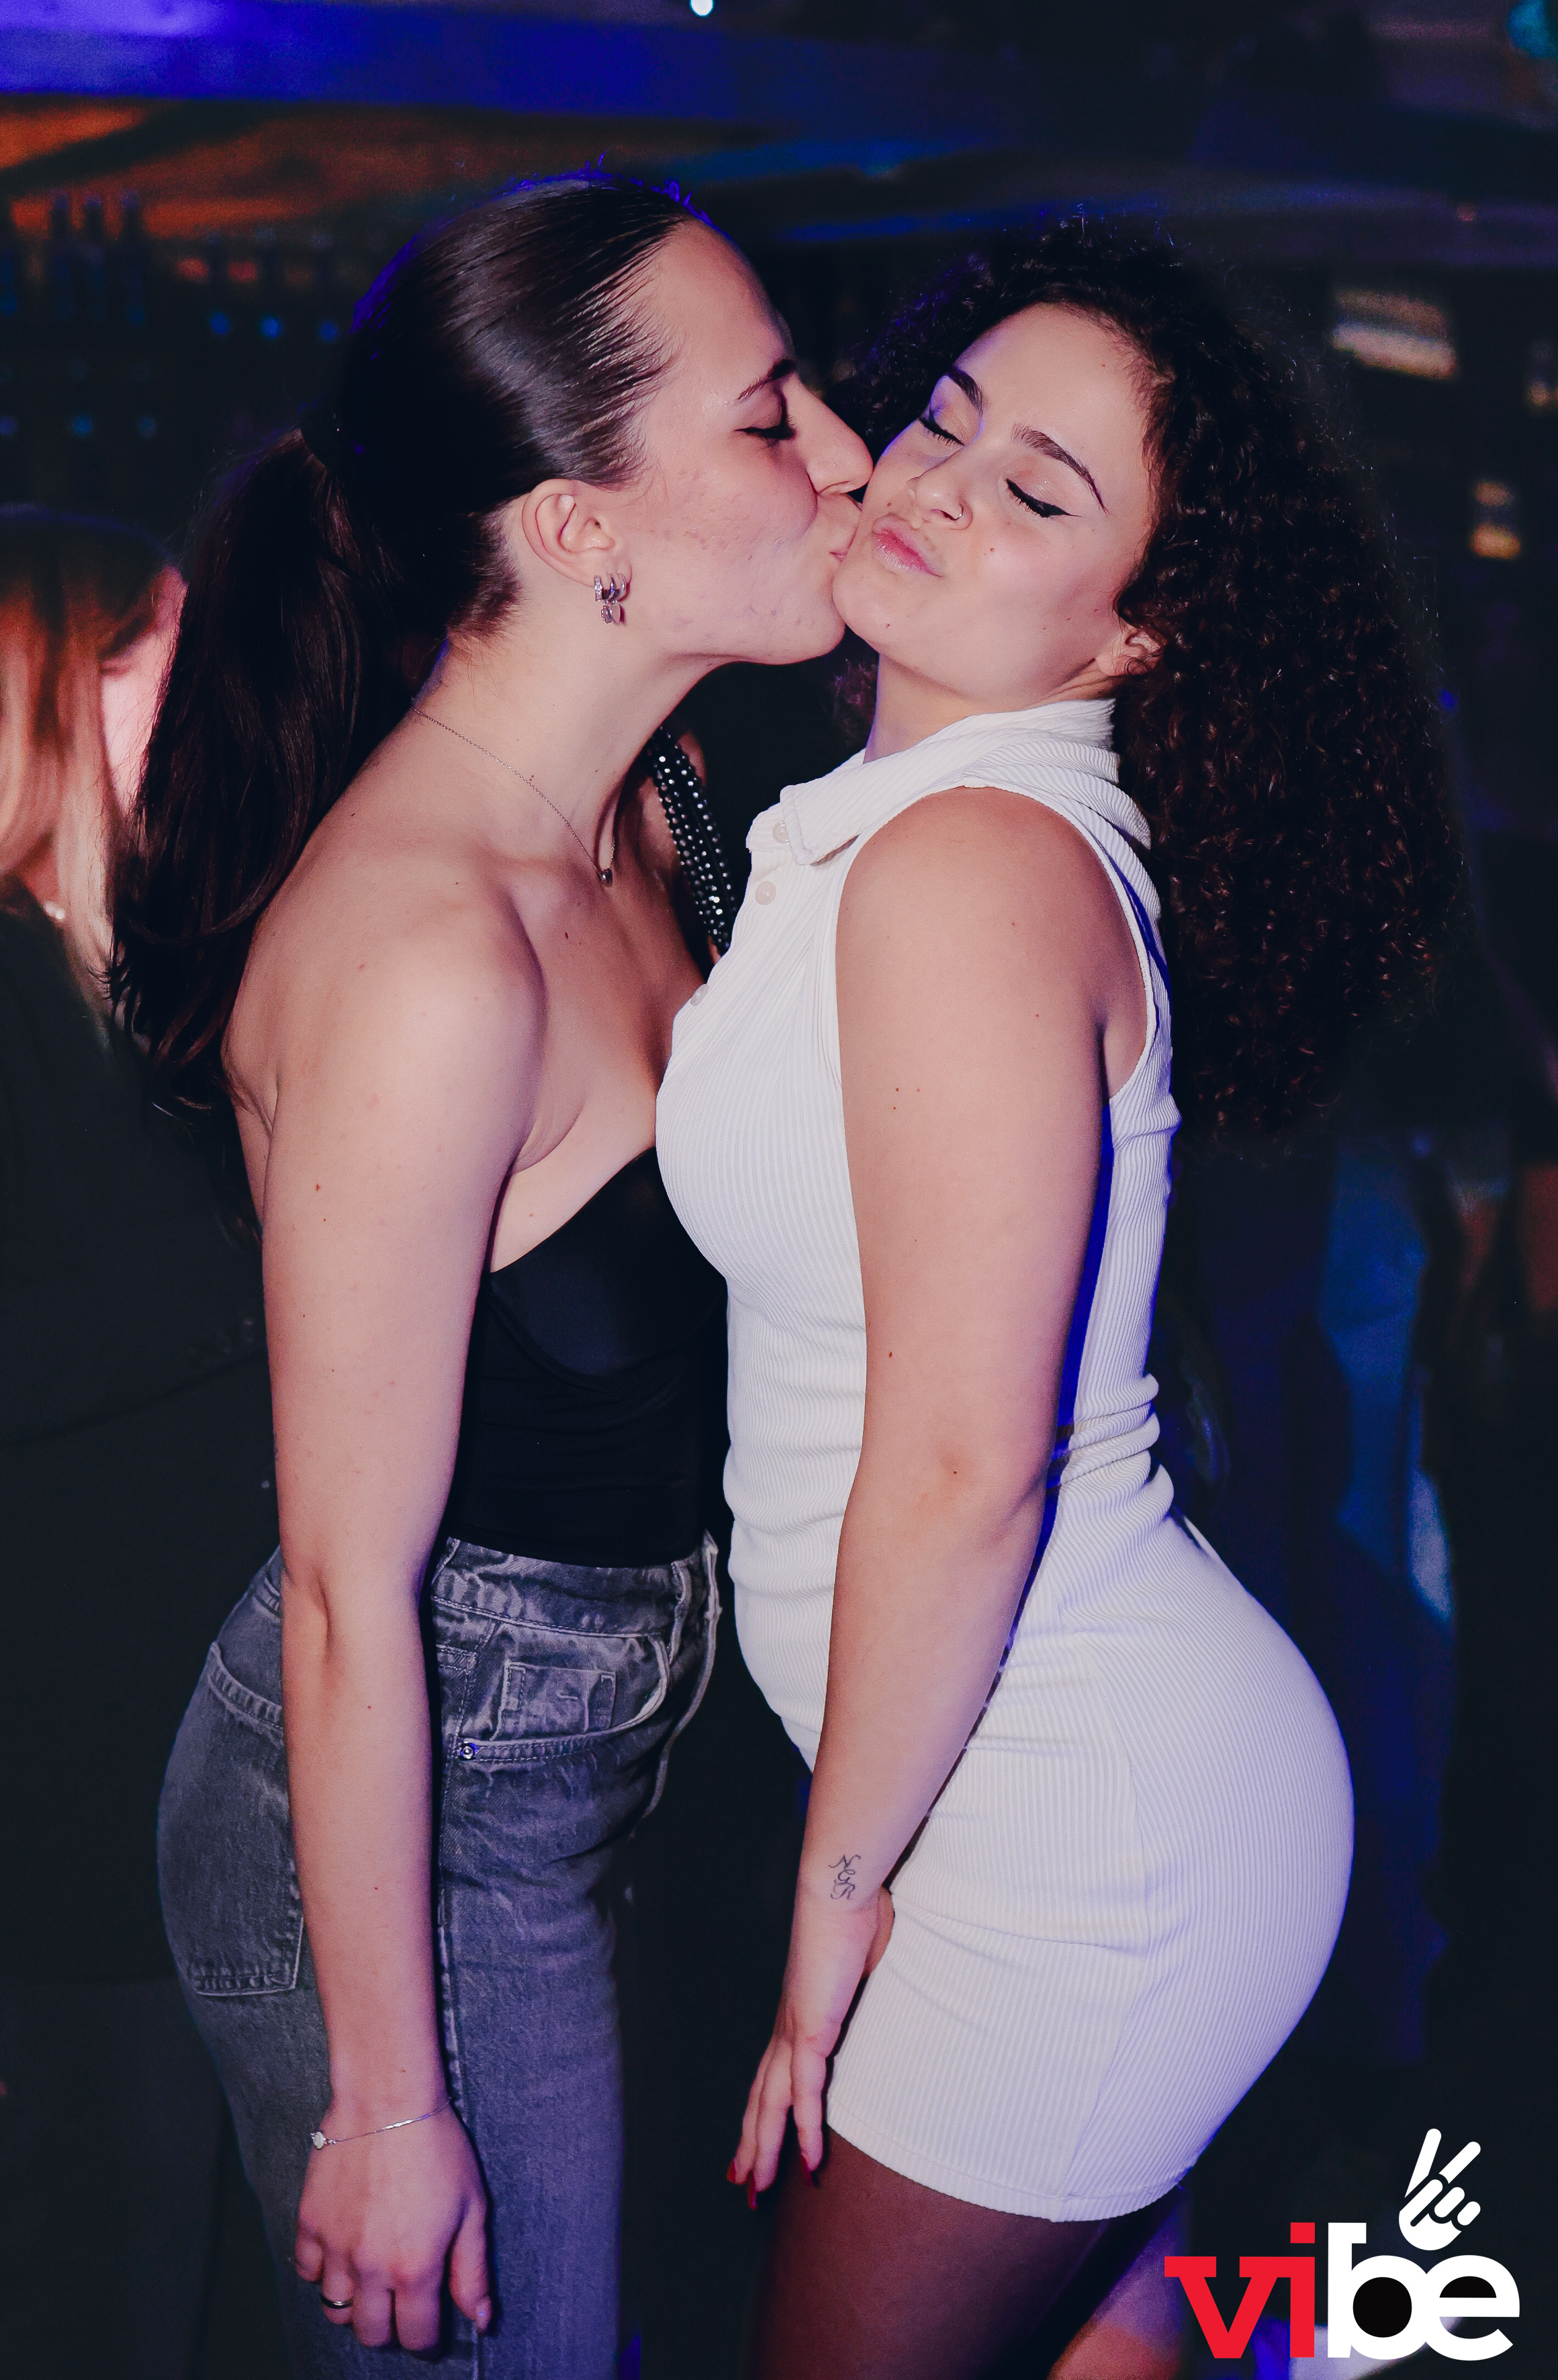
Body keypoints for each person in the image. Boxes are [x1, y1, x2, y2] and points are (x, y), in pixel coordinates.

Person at [656, 222, 1461, 2379]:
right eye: (936, 419)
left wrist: (831, 1905)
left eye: (1031, 491)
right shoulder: (921, 816)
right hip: (1043, 1780)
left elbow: (962, 1463)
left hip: (1061, 1829)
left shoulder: (968, 866)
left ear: (1131, 631)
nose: (930, 485)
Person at [111, 172, 869, 2378]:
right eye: (770, 417)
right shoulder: (429, 955)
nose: (842, 454)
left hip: (603, 1768)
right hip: (404, 1835)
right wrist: (384, 2104)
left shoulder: (665, 805)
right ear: (575, 528)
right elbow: (347, 1588)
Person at [0, 506, 280, 2378]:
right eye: (170, 644)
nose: (212, 680)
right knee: (104, 2293)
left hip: (202, 1774)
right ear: (51, 690)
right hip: (64, 1808)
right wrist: (271, 1267)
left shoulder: (148, 972)